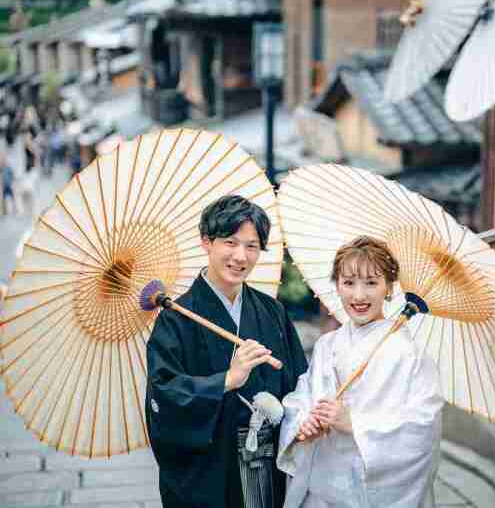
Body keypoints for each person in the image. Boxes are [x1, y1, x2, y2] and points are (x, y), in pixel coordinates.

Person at [146, 195, 308, 508]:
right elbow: (164, 393)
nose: (240, 256)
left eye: (252, 245)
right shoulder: (176, 319)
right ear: (206, 242)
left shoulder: (271, 311)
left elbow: (298, 381)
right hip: (208, 468)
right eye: (230, 242)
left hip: (264, 461)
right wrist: (227, 380)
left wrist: (302, 415)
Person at [278, 236, 443, 508]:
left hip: (370, 495)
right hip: (320, 492)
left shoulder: (408, 354)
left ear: (389, 288)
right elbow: (301, 398)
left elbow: (422, 430)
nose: (359, 296)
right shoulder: (326, 345)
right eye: (349, 283)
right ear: (337, 286)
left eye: (371, 283)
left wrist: (355, 424)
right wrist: (303, 425)